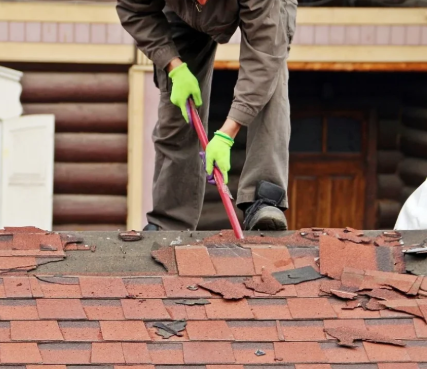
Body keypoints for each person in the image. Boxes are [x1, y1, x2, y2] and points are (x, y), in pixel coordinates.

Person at [116, 0, 297, 231]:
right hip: (182, 12)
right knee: (177, 104)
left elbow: (263, 59)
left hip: (266, 13)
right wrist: (174, 66)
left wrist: (226, 135)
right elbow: (133, 10)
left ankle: (264, 199)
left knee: (270, 81)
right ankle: (170, 221)